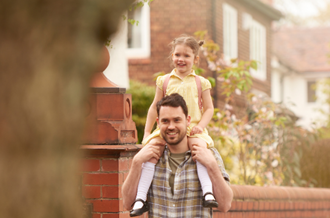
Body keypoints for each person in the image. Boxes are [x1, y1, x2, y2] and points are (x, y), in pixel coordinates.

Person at [130, 35, 218, 216]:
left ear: (196, 59)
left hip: (192, 130)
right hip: (169, 130)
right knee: (151, 154)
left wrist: (200, 126)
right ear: (172, 56)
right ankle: (140, 198)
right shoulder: (164, 81)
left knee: (200, 152)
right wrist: (147, 132)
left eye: (186, 56)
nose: (181, 59)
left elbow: (209, 109)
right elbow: (155, 107)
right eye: (177, 54)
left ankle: (208, 192)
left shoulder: (201, 83)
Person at [122, 93, 233, 217]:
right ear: (158, 123)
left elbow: (225, 205)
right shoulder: (149, 158)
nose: (171, 126)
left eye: (177, 120)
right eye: (165, 121)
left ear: (188, 120)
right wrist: (136, 162)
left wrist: (212, 165)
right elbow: (127, 203)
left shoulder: (208, 154)